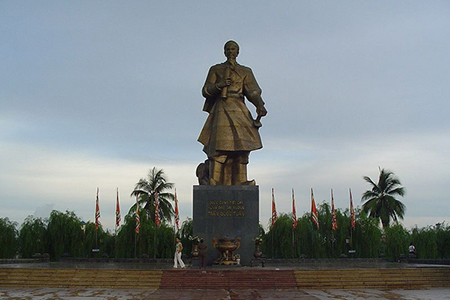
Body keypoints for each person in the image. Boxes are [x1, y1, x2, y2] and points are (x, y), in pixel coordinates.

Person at [198, 40, 268, 186]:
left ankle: (241, 180)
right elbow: (206, 90)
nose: (231, 51)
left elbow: (253, 91)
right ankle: (214, 180)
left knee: (242, 147)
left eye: (233, 49)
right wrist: (219, 85)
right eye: (228, 49)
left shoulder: (245, 71)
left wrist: (259, 104)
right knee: (220, 147)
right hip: (222, 108)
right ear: (224, 52)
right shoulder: (216, 69)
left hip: (239, 108)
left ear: (238, 52)